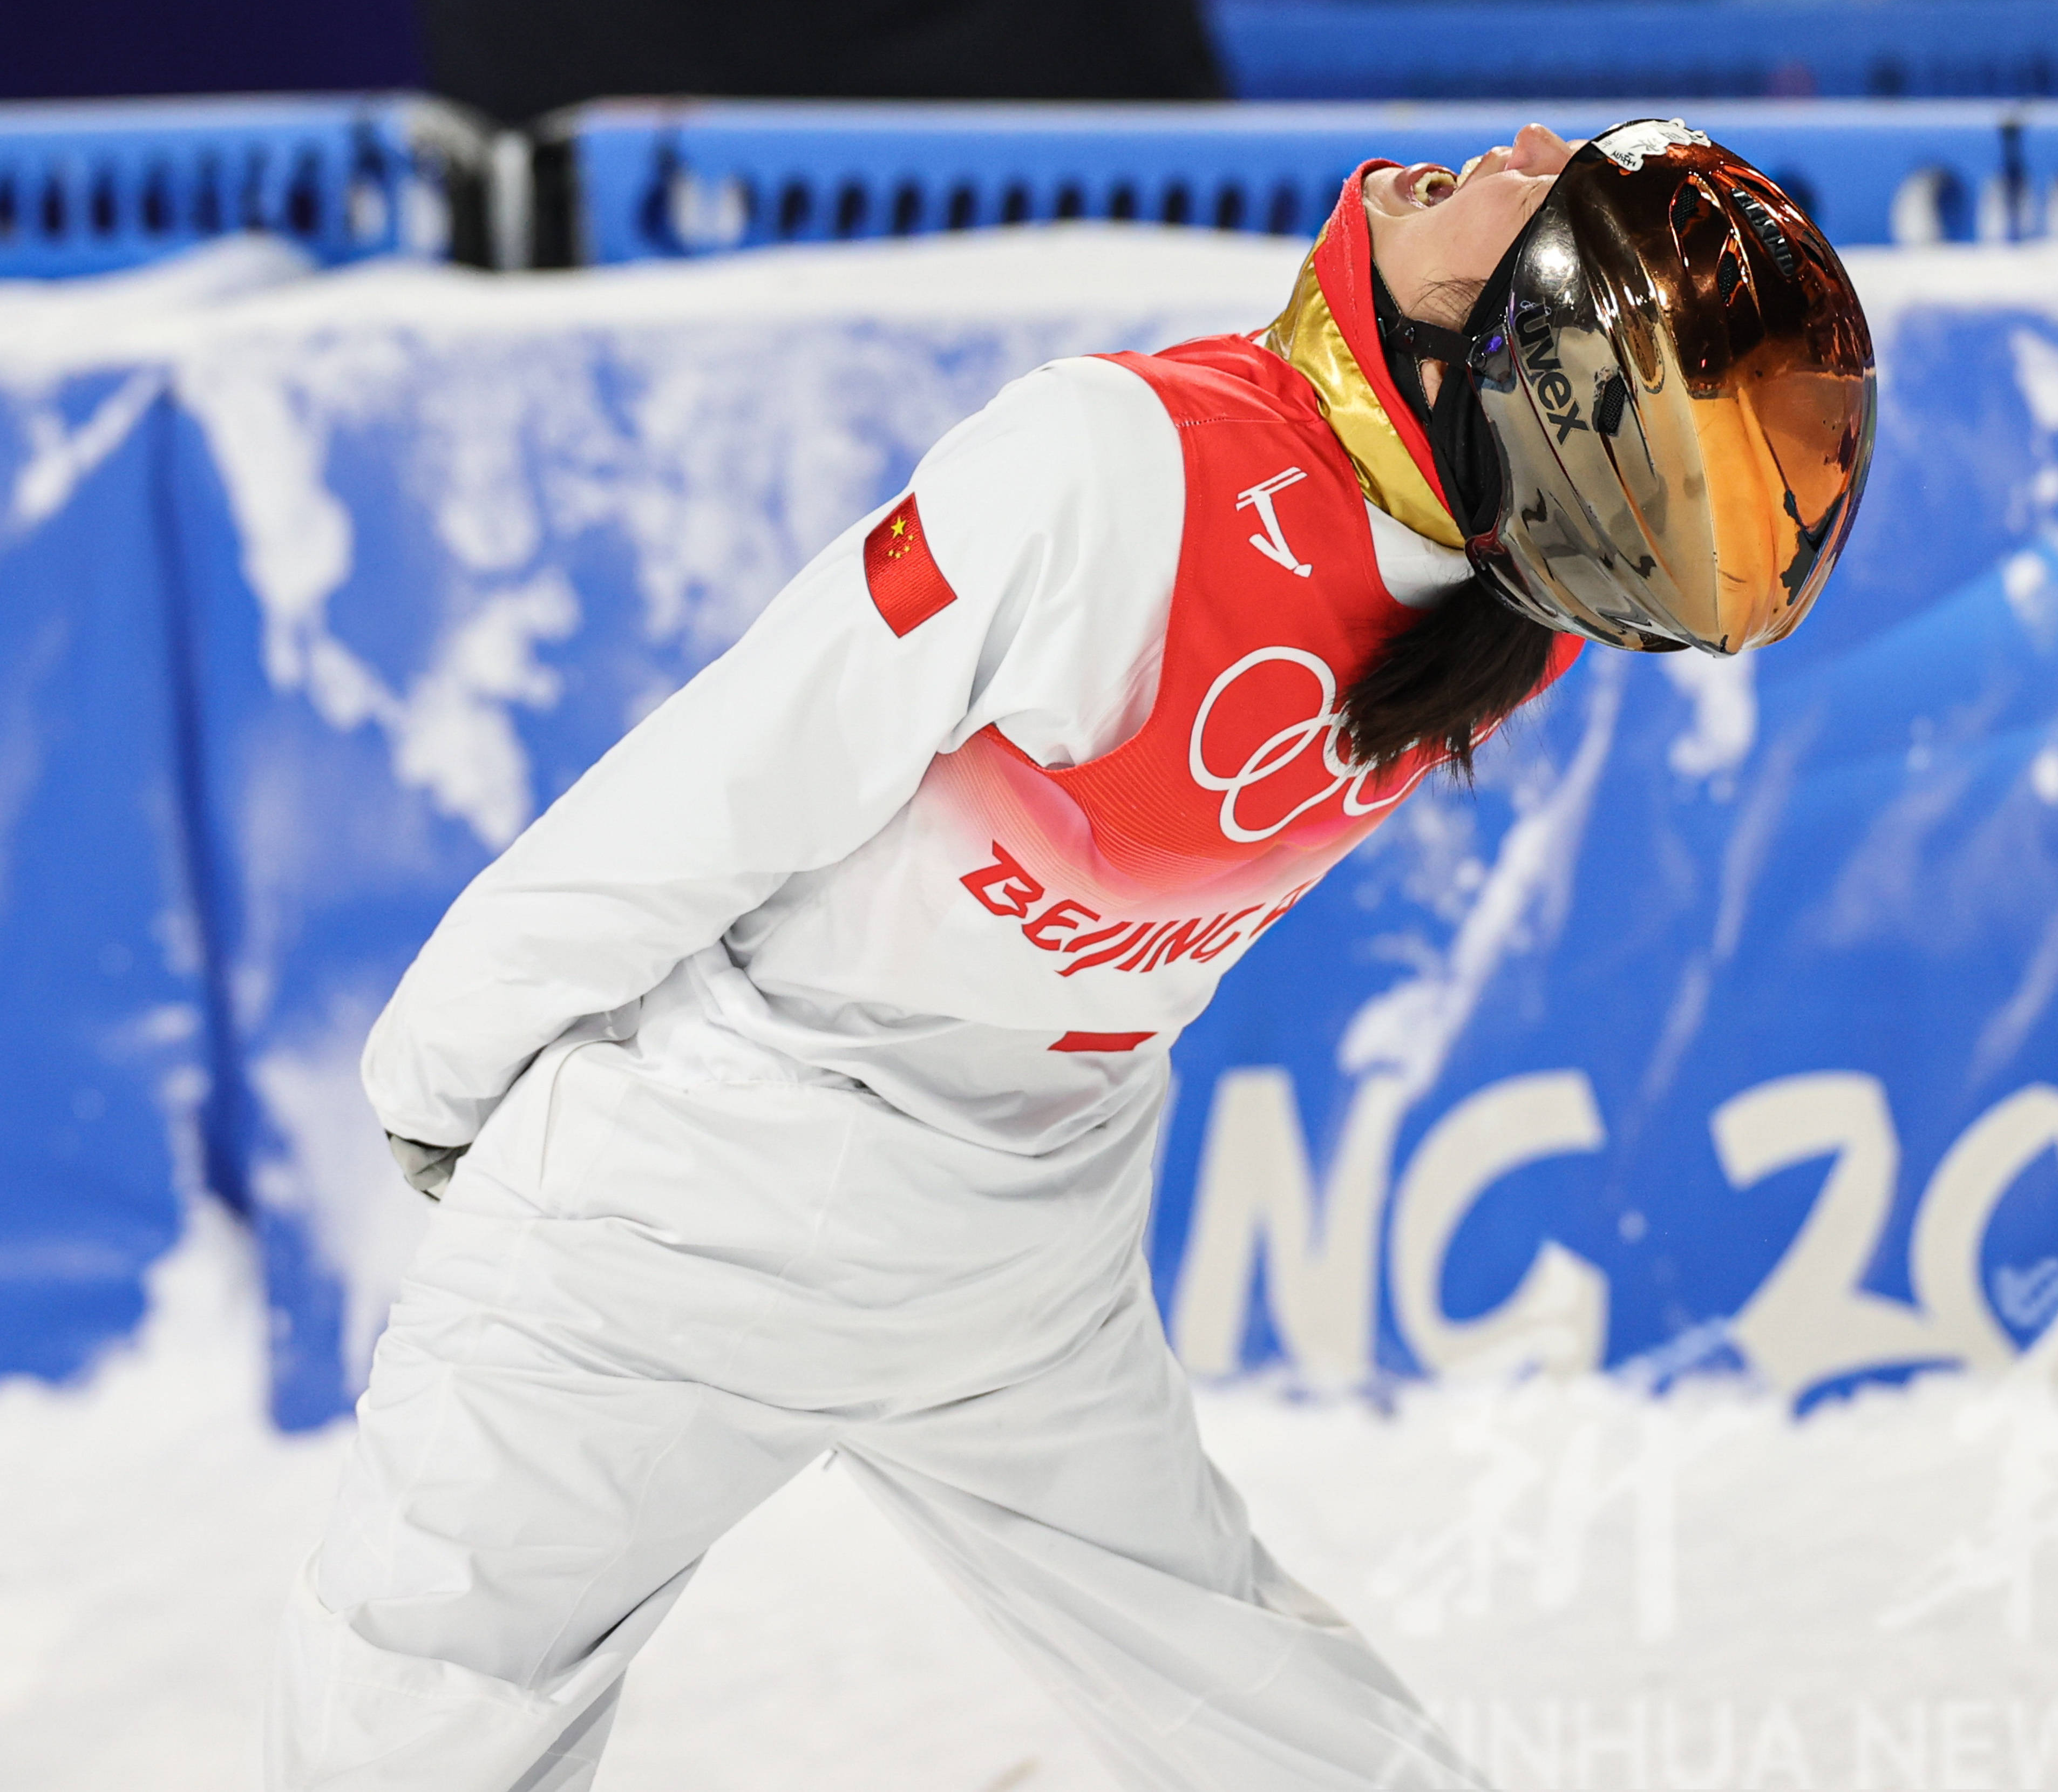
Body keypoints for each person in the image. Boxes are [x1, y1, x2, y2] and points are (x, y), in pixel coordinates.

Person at [264, 118, 1876, 1791]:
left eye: (1545, 195)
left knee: (415, 1684)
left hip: (691, 1185)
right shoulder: (1505, 625)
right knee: (1255, 1701)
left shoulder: (1112, 468)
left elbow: (727, 781)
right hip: (1016, 1254)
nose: (1522, 141)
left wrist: (442, 1060)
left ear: (1519, 341)